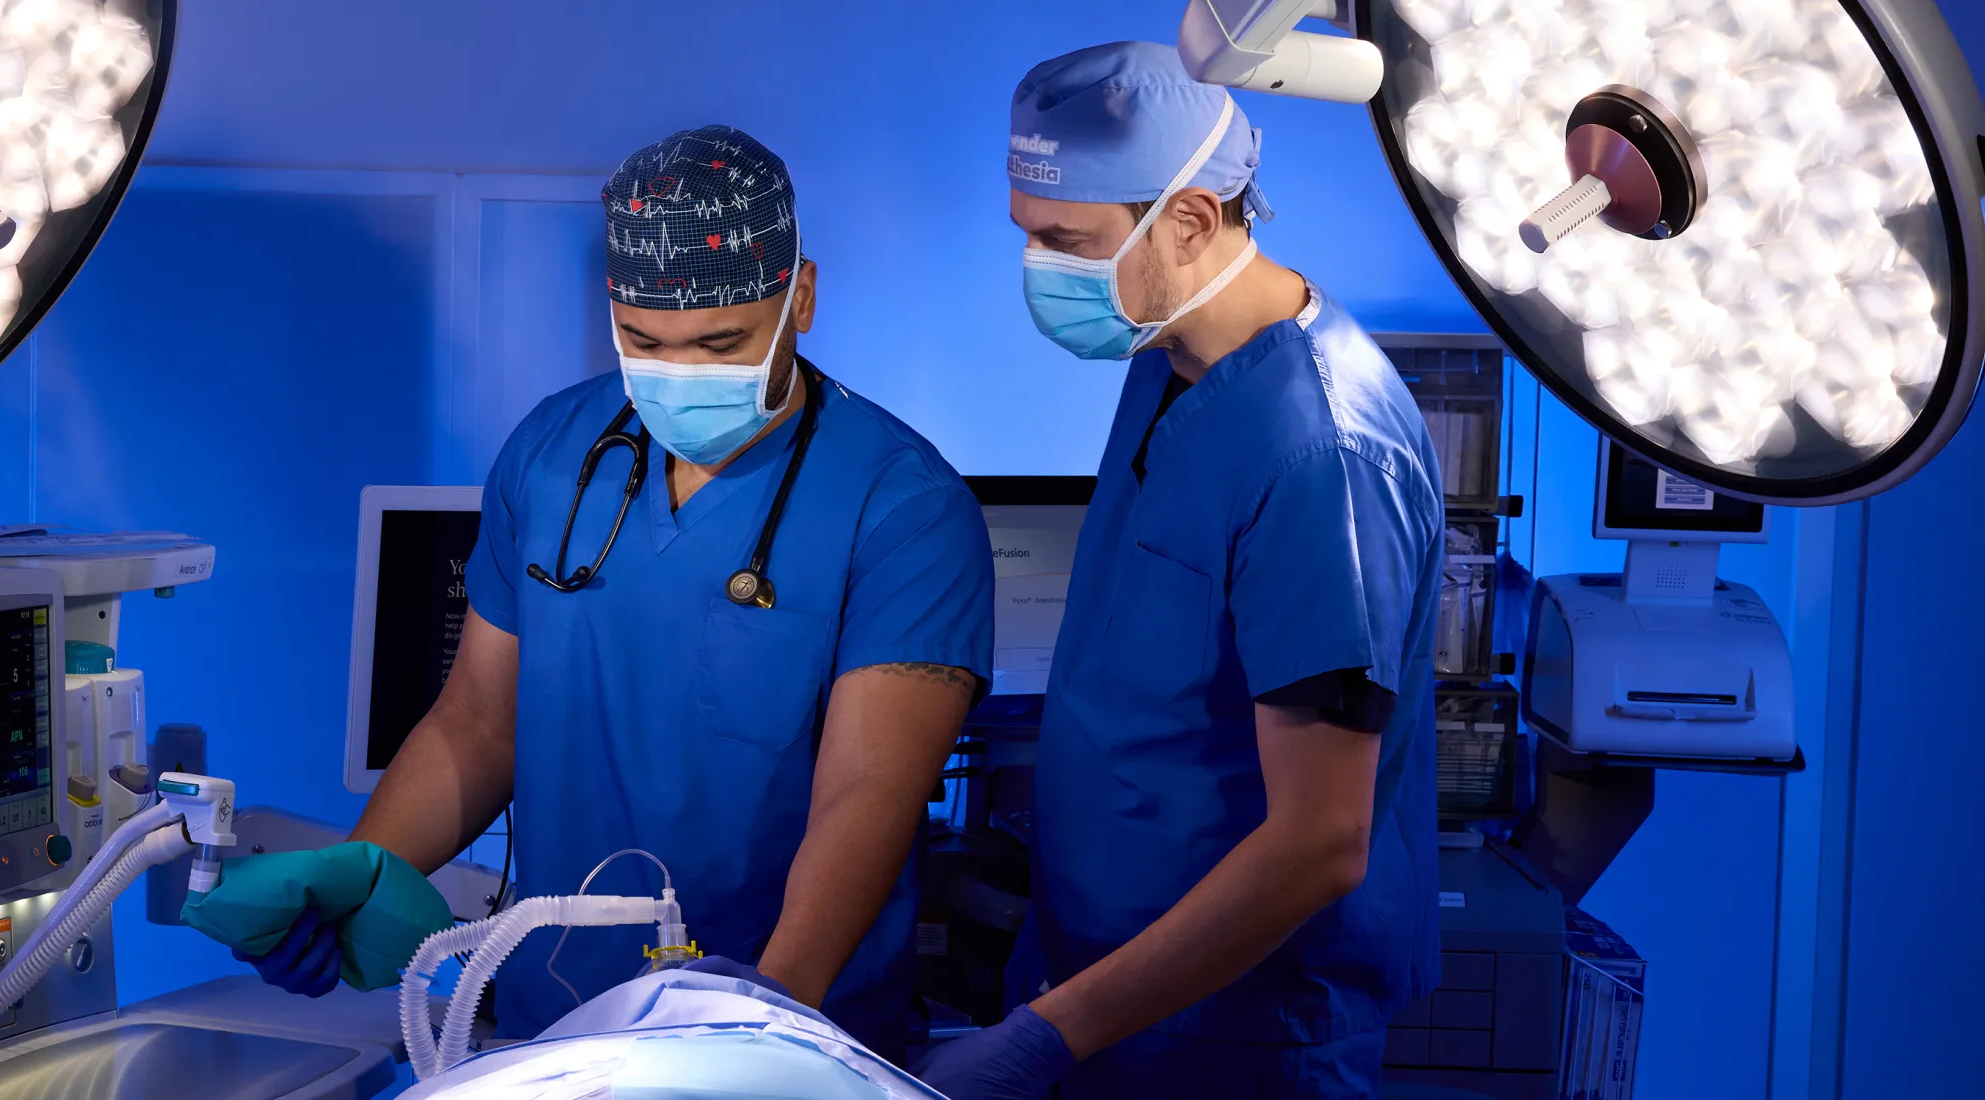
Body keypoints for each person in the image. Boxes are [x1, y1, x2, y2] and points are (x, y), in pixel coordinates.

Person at [239, 125, 994, 1060]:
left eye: (721, 343)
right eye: (647, 342)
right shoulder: (551, 454)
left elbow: (869, 793)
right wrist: (366, 871)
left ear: (800, 296)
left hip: (788, 1031)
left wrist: (772, 1008)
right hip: (551, 1022)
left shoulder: (903, 506)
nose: (684, 376)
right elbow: (479, 723)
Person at [914, 43, 1444, 1098]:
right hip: (1098, 987)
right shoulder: (1170, 354)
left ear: (1192, 219)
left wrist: (1048, 1035)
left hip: (1236, 1039)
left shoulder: (1321, 454)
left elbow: (1318, 843)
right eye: (1027, 235)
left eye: (1066, 240)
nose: (1039, 269)